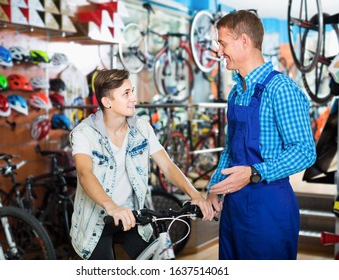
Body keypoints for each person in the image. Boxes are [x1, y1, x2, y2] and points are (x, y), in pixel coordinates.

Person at [69, 69, 214, 260]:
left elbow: (167, 166)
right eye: (126, 93)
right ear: (107, 102)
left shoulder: (142, 129)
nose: (134, 98)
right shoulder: (83, 133)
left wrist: (196, 195)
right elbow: (85, 173)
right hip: (95, 222)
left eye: (133, 91)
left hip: (132, 217)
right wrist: (112, 207)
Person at [206, 10, 316, 260]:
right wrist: (215, 188)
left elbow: (304, 152)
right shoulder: (236, 93)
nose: (219, 51)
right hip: (234, 208)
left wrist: (254, 172)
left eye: (222, 43)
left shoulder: (281, 89)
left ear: (244, 41)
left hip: (269, 211)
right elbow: (229, 150)